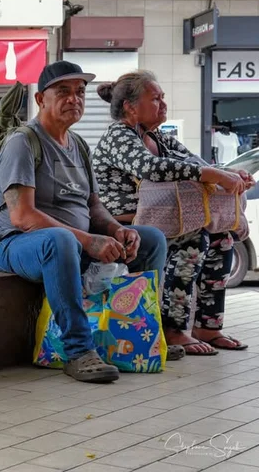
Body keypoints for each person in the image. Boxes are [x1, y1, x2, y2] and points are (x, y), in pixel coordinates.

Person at [0, 61, 168, 383]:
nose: (74, 99)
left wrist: (116, 230)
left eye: (80, 92)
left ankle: (143, 333)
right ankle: (78, 351)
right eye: (63, 92)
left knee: (151, 238)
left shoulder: (79, 146)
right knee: (61, 240)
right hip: (17, 243)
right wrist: (87, 241)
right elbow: (23, 215)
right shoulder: (23, 142)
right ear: (41, 99)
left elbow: (93, 206)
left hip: (72, 244)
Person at [92, 70, 253, 355]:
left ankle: (208, 327)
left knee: (222, 239)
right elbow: (150, 169)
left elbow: (197, 163)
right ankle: (173, 329)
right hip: (126, 225)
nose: (163, 104)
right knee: (194, 239)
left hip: (162, 221)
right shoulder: (118, 136)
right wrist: (213, 174)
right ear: (130, 107)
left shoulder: (160, 138)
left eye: (162, 97)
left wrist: (232, 174)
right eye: (155, 99)